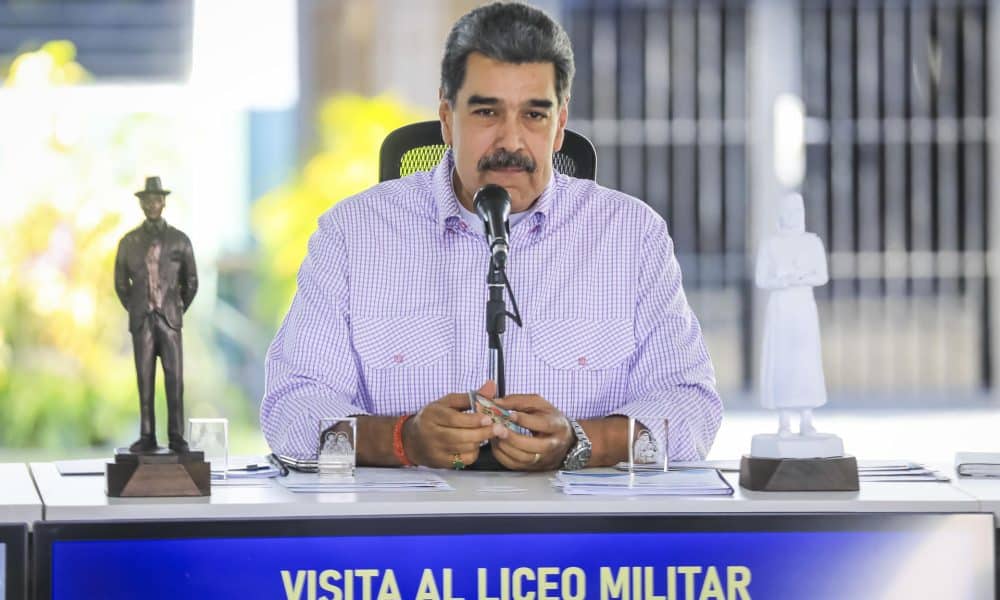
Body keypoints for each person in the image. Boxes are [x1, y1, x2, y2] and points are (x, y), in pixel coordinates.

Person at [261, 2, 720, 471]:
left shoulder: (630, 235)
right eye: (486, 112)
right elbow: (292, 407)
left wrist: (582, 441)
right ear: (446, 116)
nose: (511, 141)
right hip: (407, 530)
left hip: (575, 531)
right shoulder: (354, 233)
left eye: (534, 116)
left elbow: (690, 406)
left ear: (560, 125)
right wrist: (401, 439)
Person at [114, 176, 198, 453]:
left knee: (175, 379)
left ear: (164, 202)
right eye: (147, 200)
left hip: (170, 320)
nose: (152, 205)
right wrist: (138, 307)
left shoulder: (180, 240)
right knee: (144, 378)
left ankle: (176, 436)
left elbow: (192, 281)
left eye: (157, 200)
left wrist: (176, 308)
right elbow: (120, 283)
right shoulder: (128, 242)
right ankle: (147, 435)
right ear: (141, 204)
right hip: (143, 321)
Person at [756, 193, 829, 437]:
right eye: (790, 211)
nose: (794, 216)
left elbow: (822, 276)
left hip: (803, 307)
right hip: (781, 309)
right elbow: (761, 279)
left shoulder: (812, 243)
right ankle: (784, 421)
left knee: (805, 362)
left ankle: (807, 418)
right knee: (783, 362)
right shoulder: (770, 244)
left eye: (798, 211)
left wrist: (801, 277)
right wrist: (782, 280)